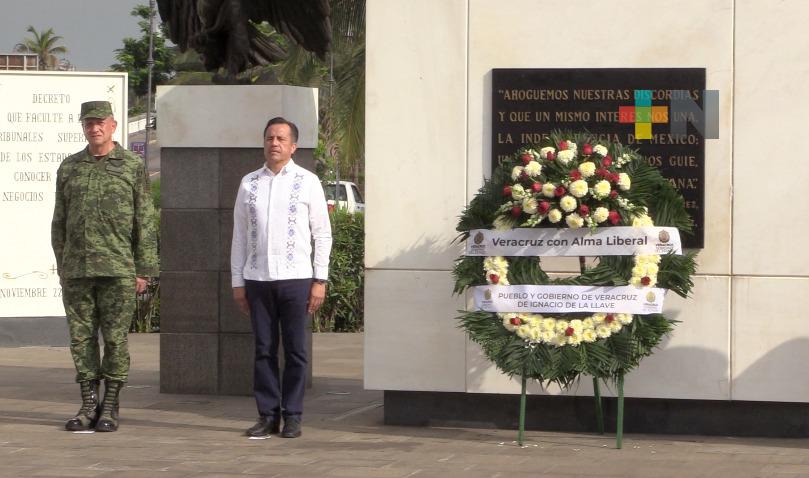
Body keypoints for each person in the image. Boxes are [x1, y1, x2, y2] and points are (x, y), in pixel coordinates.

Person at [51, 101, 158, 432]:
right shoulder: (70, 167)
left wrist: (144, 269)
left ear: (112, 125)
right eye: (88, 123)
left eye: (100, 122)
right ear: (83, 127)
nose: (94, 128)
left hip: (118, 269)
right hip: (77, 271)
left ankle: (110, 405)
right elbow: (59, 222)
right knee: (81, 340)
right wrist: (62, 264)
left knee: (114, 339)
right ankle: (88, 404)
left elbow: (145, 218)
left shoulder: (130, 166)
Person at [231, 117, 332, 438]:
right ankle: (267, 415)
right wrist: (237, 281)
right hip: (258, 279)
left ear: (293, 146)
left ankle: (293, 415)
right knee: (263, 349)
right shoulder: (249, 183)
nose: (274, 143)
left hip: (297, 279)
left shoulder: (308, 181)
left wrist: (320, 280)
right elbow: (240, 237)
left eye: (281, 139)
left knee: (296, 351)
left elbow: (323, 234)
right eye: (269, 138)